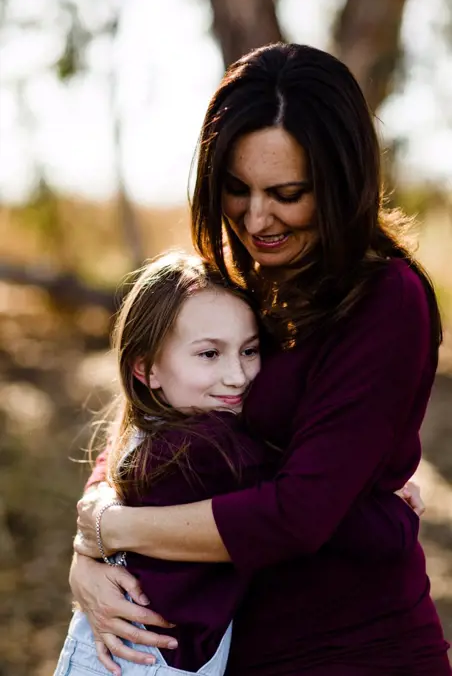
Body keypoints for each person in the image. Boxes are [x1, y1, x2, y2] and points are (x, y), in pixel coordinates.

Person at [72, 43, 451, 675]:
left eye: (287, 193)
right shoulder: (232, 281)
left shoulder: (387, 301)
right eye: (236, 189)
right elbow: (149, 419)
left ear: (340, 181)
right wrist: (89, 549)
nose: (256, 218)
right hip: (231, 647)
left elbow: (298, 516)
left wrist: (113, 532)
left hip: (356, 649)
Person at [55, 251, 421, 676]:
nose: (238, 376)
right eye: (209, 355)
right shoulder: (208, 451)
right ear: (146, 368)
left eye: (250, 350)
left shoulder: (153, 428)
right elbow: (314, 511)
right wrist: (375, 491)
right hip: (135, 663)